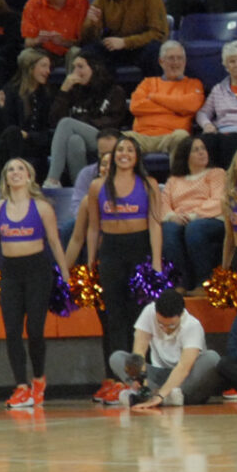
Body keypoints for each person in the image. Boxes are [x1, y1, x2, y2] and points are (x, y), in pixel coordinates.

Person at [65, 133, 165, 403]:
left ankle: (142, 378)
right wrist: (91, 260)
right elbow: (93, 228)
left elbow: (155, 223)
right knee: (115, 317)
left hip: (139, 250)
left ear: (137, 156)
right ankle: (120, 380)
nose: (124, 154)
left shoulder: (149, 184)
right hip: (110, 252)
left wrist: (156, 261)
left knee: (140, 318)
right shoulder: (97, 187)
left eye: (130, 150)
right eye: (120, 150)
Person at [0, 159, 65, 409]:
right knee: (12, 331)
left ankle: (38, 379)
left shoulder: (42, 207)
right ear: (5, 178)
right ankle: (21, 386)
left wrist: (66, 275)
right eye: (10, 170)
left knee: (35, 330)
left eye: (20, 169)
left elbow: (54, 242)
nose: (15, 173)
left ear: (29, 176)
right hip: (10, 273)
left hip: (38, 271)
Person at [113, 291, 225, 407]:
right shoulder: (149, 312)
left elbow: (183, 367)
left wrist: (160, 396)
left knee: (212, 358)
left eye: (171, 325)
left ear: (181, 314)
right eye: (161, 324)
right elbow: (139, 352)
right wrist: (141, 379)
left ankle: (159, 397)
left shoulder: (192, 326)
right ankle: (155, 395)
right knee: (117, 358)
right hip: (159, 374)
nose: (165, 329)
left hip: (185, 378)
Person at [45, 49, 129, 187]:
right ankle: (81, 187)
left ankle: (52, 179)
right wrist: (64, 91)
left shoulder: (114, 91)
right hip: (81, 137)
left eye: (80, 66)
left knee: (67, 123)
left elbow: (112, 122)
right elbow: (54, 121)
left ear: (95, 68)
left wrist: (79, 125)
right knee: (74, 140)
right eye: (74, 68)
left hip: (106, 138)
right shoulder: (74, 90)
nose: (76, 72)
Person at [158, 133, 227, 288]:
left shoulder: (216, 173)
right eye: (196, 150)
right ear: (185, 156)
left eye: (203, 149)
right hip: (180, 218)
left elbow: (218, 201)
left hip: (210, 218)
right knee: (168, 230)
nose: (202, 152)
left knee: (195, 229)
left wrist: (193, 215)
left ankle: (204, 283)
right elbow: (163, 203)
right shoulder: (173, 180)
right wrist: (171, 216)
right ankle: (180, 283)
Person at [125, 41, 204, 156]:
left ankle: (177, 169)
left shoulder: (194, 84)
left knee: (182, 136)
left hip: (172, 137)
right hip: (141, 137)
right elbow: (135, 106)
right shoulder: (147, 83)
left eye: (180, 58)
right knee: (119, 139)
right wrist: (176, 107)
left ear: (185, 62)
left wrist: (154, 97)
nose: (176, 62)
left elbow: (191, 105)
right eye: (171, 58)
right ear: (161, 62)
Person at [21, 0, 91, 61]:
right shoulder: (32, 4)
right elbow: (27, 43)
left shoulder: (81, 2)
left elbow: (84, 41)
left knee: (76, 52)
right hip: (44, 52)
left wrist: (63, 42)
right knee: (26, 55)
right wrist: (38, 40)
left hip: (71, 50)